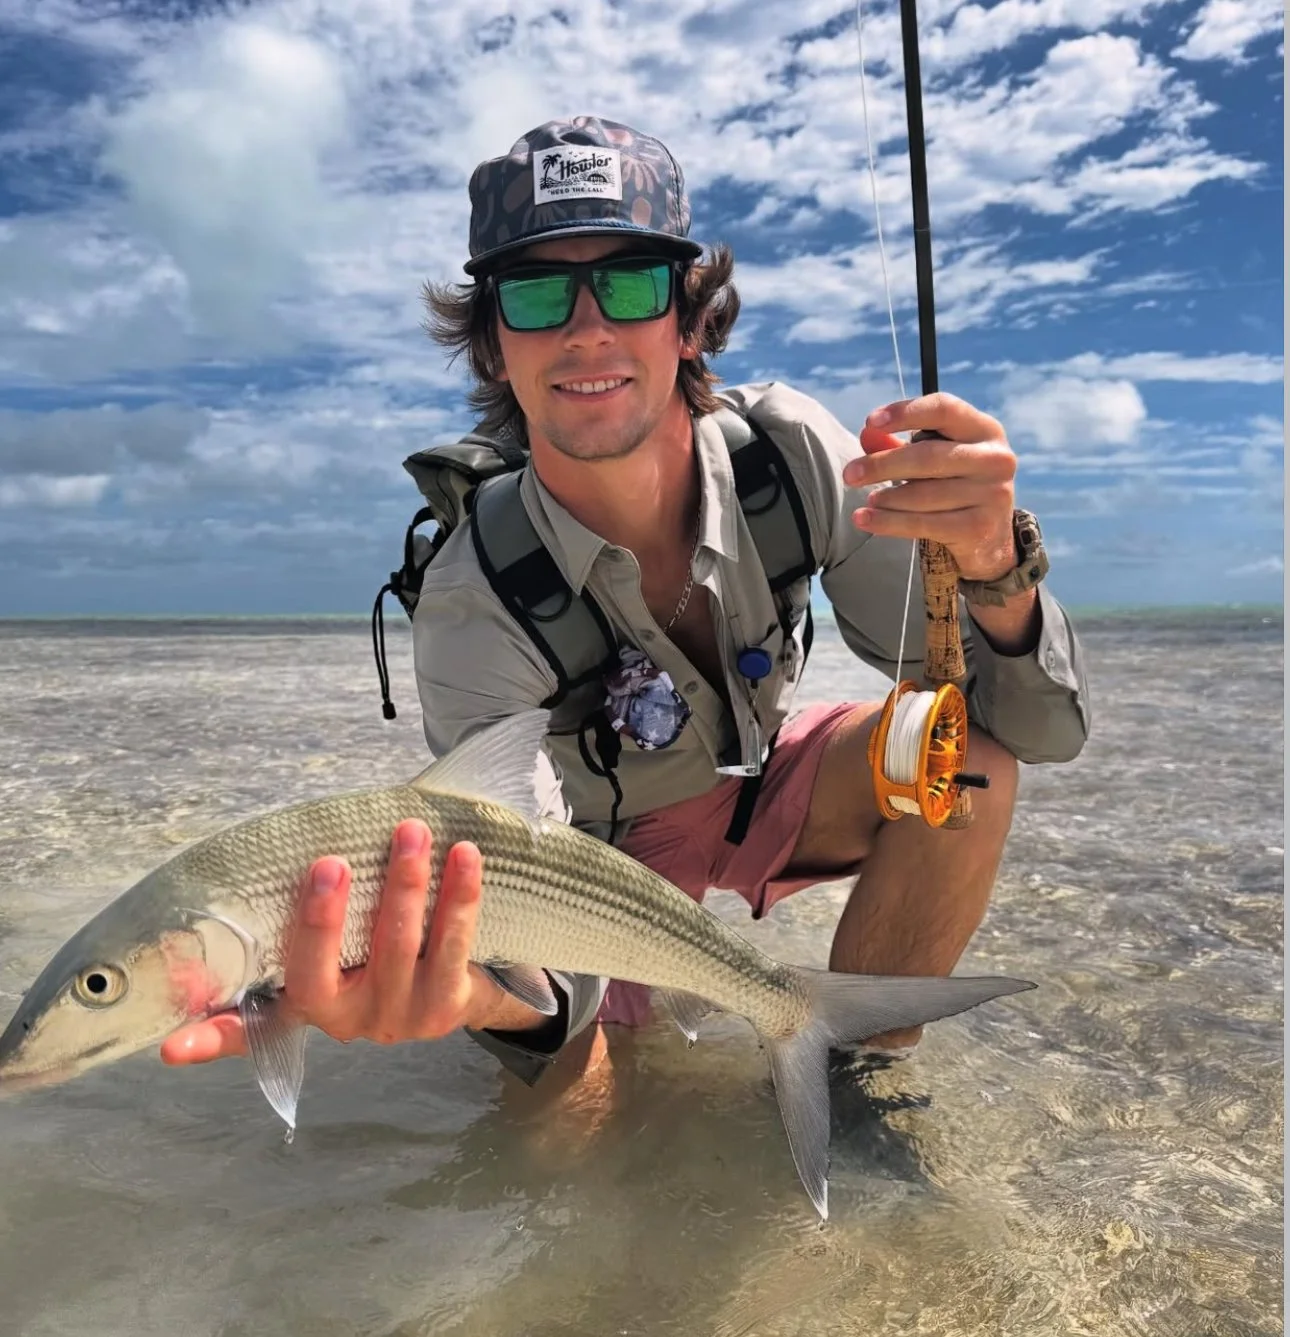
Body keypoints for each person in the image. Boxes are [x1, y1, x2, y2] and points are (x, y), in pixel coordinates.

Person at [161, 116, 1090, 1086]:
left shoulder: (793, 454)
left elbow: (1035, 726)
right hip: (588, 867)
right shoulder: (472, 598)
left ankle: (851, 1091)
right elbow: (511, 870)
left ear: (689, 322)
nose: (587, 328)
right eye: (534, 292)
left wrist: (993, 567)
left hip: (767, 783)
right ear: (493, 346)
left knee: (969, 761)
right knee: (576, 1133)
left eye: (634, 284)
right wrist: (508, 1010)